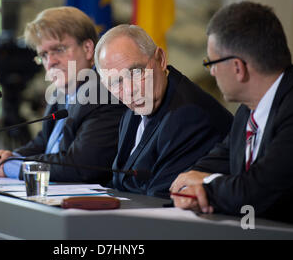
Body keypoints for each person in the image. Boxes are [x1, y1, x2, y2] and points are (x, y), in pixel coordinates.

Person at [170, 1, 293, 229]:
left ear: (237, 67)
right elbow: (211, 164)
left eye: (211, 63)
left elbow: (258, 190)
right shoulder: (247, 111)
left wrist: (206, 187)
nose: (211, 72)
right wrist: (192, 182)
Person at [0, 6, 126, 184]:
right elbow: (44, 142)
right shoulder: (61, 93)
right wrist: (11, 156)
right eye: (44, 55)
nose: (51, 62)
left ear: (88, 48)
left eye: (59, 49)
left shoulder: (105, 95)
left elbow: (80, 166)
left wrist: (12, 166)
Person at [94, 24, 233, 198]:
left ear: (160, 59)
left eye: (136, 72)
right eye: (116, 82)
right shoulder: (134, 110)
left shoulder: (190, 115)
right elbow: (120, 181)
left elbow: (160, 195)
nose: (130, 90)